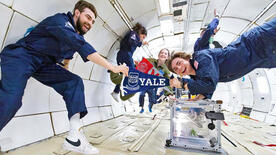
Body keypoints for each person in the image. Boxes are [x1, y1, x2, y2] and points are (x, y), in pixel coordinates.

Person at [0, 0, 128, 154]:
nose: (90, 23)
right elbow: (81, 46)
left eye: (93, 21)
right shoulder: (61, 21)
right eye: (88, 17)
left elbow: (67, 58)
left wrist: (64, 74)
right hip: (22, 56)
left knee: (74, 82)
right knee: (12, 100)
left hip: (43, 65)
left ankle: (74, 138)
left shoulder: (75, 35)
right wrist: (113, 67)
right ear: (77, 13)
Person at [168, 16, 276, 101]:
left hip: (256, 42)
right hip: (261, 59)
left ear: (186, 58)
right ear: (180, 74)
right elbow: (207, 88)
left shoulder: (201, 58)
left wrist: (182, 84)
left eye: (179, 62)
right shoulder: (198, 76)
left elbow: (209, 84)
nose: (179, 67)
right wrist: (195, 99)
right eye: (176, 69)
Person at [111, 23, 148, 102]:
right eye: (143, 37)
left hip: (125, 56)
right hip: (125, 55)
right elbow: (132, 42)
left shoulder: (134, 36)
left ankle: (118, 92)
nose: (142, 39)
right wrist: (141, 43)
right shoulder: (133, 33)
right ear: (140, 33)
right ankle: (123, 92)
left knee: (126, 75)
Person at [139, 48, 171, 113]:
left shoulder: (166, 70)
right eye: (161, 52)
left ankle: (150, 108)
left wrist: (169, 94)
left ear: (167, 57)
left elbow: (167, 82)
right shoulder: (151, 61)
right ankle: (141, 108)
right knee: (141, 94)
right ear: (158, 55)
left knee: (152, 100)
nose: (163, 54)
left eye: (165, 53)